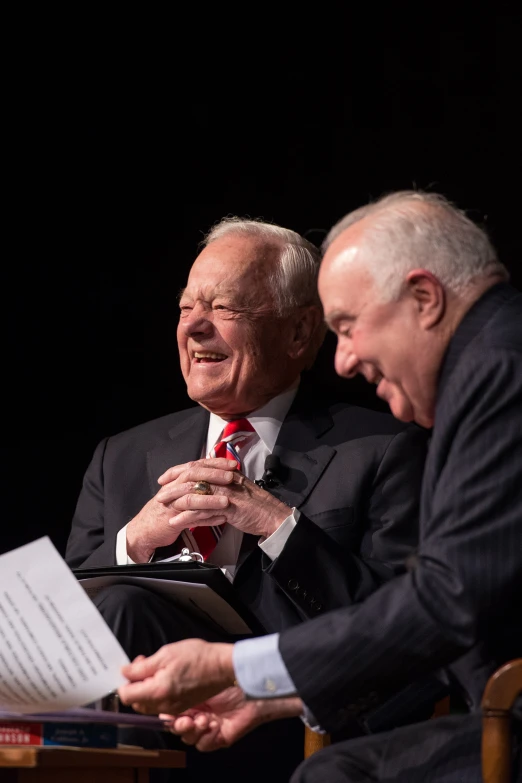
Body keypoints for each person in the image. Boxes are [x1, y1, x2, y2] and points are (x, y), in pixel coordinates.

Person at [118, 192, 522, 783]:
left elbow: (446, 602)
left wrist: (238, 668)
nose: (345, 360)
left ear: (424, 299)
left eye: (349, 328)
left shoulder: (498, 369)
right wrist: (268, 697)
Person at [66, 217, 428, 781]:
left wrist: (280, 525)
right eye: (187, 308)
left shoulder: (381, 450)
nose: (195, 329)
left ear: (300, 334)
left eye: (224, 308)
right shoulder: (121, 456)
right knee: (117, 608)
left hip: (286, 725)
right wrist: (132, 544)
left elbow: (408, 620)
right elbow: (60, 628)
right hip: (137, 729)